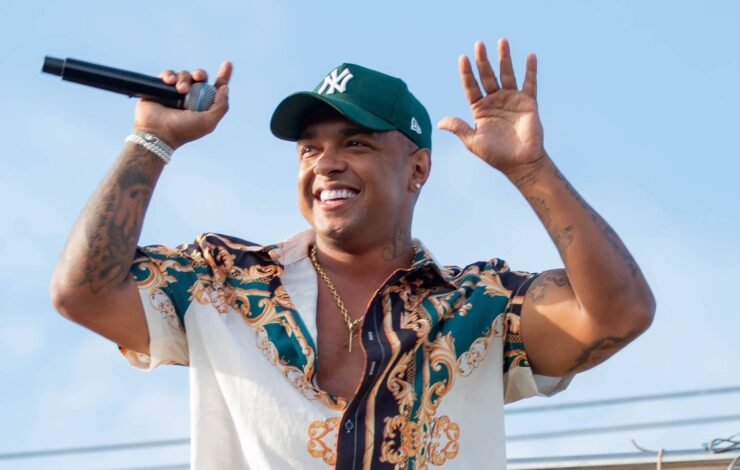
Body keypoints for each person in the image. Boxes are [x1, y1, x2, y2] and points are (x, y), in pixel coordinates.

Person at [50, 38, 655, 469]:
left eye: (356, 143)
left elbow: (619, 313)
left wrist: (531, 169)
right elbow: (83, 293)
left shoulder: (481, 306)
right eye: (308, 149)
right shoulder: (221, 282)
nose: (326, 164)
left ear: (417, 168)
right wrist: (151, 138)